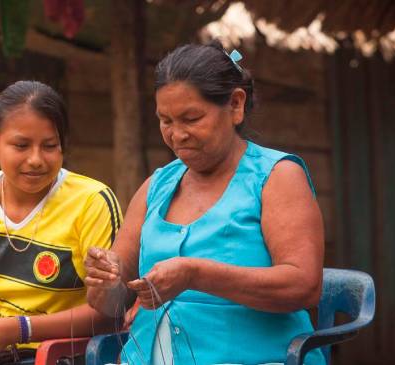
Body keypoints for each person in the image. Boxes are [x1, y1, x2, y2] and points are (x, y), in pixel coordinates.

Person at [84, 41, 326, 365]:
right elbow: (112, 303)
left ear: (235, 105)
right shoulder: (156, 187)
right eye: (166, 121)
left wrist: (195, 274)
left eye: (191, 118)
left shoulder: (277, 178)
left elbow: (304, 285)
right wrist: (105, 281)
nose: (177, 135)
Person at [0, 81, 121, 365]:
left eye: (50, 146)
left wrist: (17, 329)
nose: (36, 160)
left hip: (72, 355)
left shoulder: (92, 203)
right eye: (21, 145)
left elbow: (112, 313)